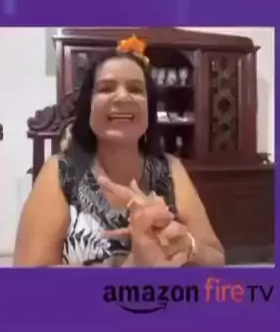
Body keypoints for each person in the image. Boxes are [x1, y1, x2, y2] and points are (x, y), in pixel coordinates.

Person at [13, 36, 225, 268]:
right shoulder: (60, 171)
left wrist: (189, 247)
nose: (123, 97)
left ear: (149, 109)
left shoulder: (171, 168)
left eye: (136, 89)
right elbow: (28, 276)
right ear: (88, 107)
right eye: (106, 88)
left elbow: (216, 258)